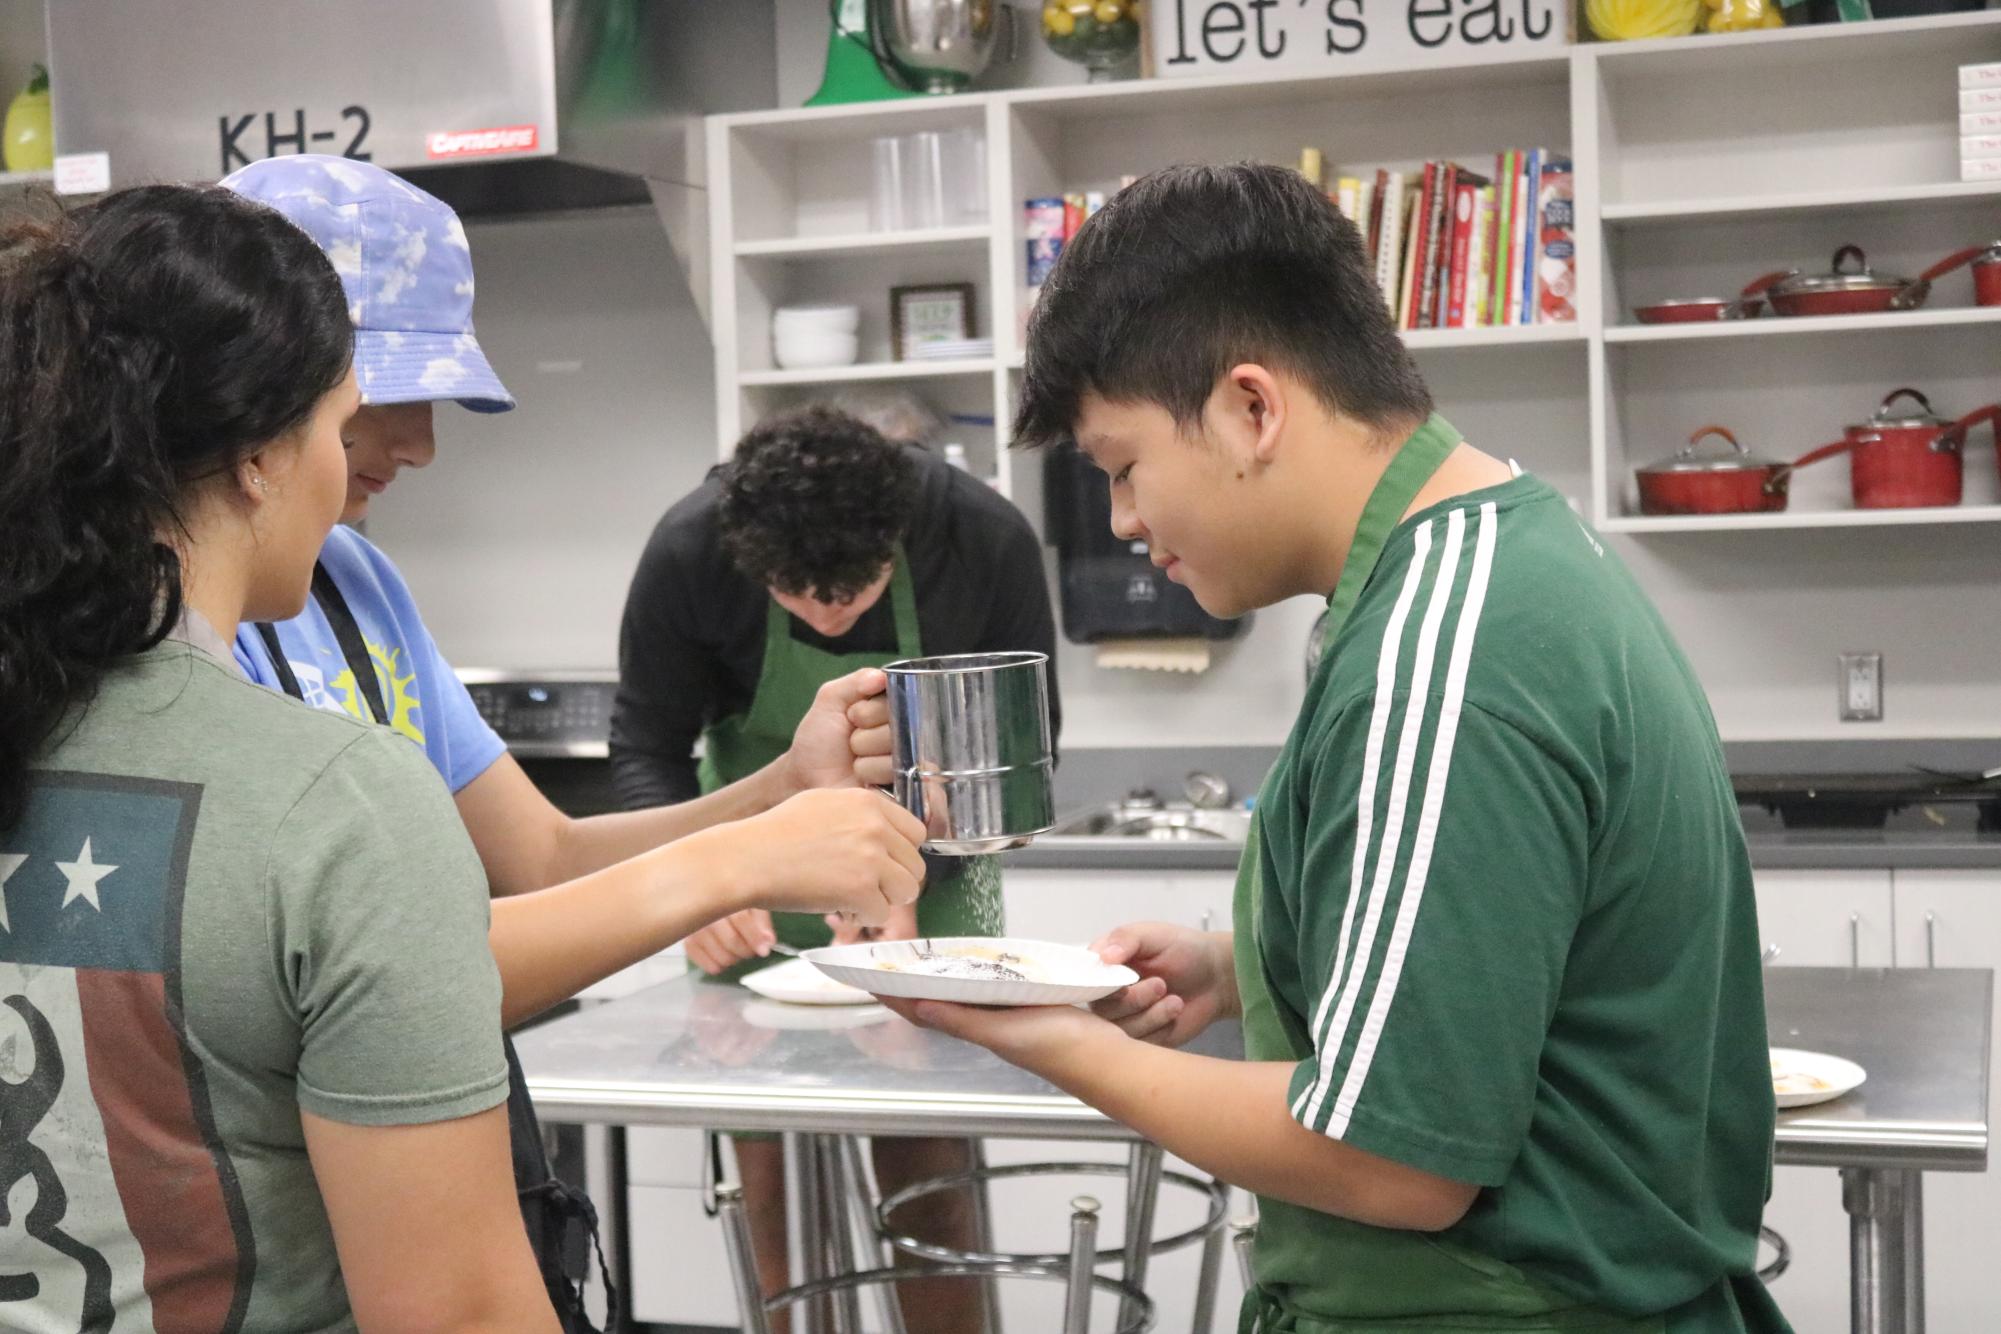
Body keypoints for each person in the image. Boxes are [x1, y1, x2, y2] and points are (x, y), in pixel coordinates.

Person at [880, 162, 1791, 1334]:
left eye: (1122, 466)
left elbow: (1394, 1159)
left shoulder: (1442, 654)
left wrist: (1053, 1041)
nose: (1122, 521)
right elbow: (1507, 944)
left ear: (1253, 408)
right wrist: (1236, 964)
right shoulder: (1500, 555)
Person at [218, 156, 928, 1330]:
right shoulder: (159, 645)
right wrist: (735, 862)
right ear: (254, 383)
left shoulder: (354, 582)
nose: (419, 443)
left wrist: (778, 788)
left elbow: (540, 857)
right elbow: (367, 991)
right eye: (382, 390)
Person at [0, 184, 559, 1330]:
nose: (375, 457)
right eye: (341, 419)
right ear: (261, 453)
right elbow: (460, 1312)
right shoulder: (339, 805)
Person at [611, 404, 1061, 1333]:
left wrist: (910, 871)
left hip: (934, 870)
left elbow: (1026, 742)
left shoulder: (981, 537)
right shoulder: (690, 550)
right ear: (750, 559)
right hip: (750, 871)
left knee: (929, 1181)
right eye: (799, 599)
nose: (827, 615)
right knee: (770, 1189)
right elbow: (645, 746)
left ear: (896, 539)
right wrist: (686, 887)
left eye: (852, 595)